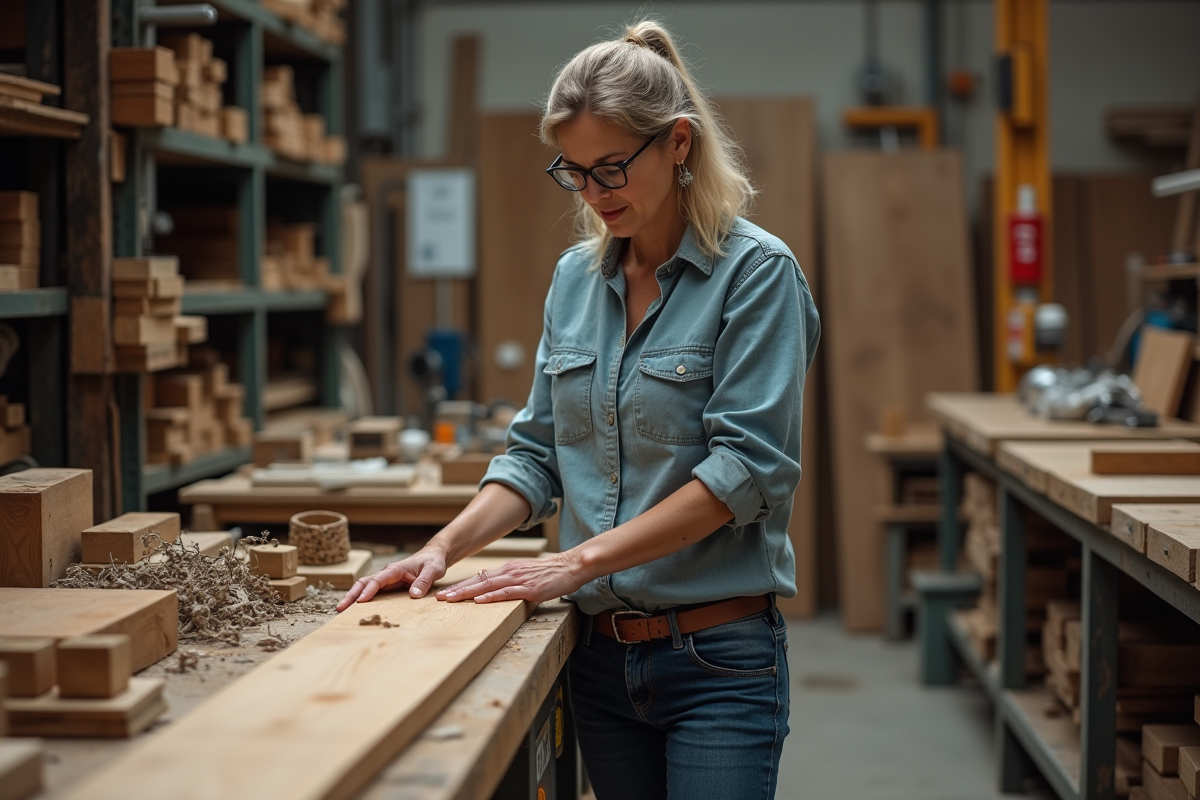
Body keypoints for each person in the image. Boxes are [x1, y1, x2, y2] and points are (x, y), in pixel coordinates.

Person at [338, 19, 820, 800]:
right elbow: (534, 455)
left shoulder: (756, 276)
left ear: (679, 144)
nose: (595, 195)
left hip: (717, 659)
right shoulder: (574, 280)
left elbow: (747, 473)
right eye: (575, 172)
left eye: (612, 168)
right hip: (597, 658)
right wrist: (444, 547)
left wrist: (575, 562)